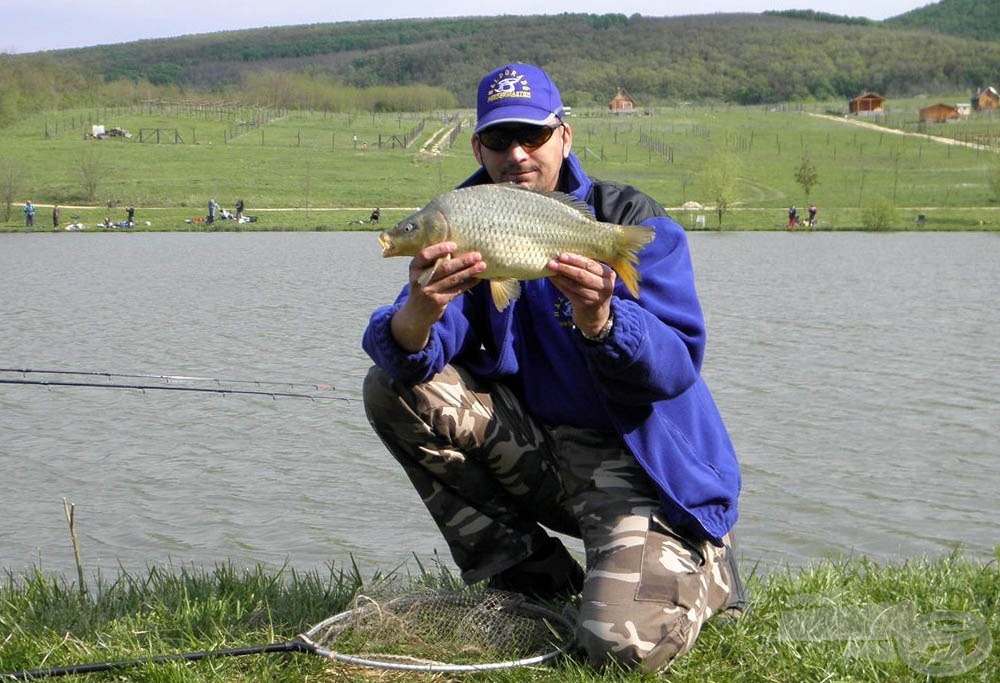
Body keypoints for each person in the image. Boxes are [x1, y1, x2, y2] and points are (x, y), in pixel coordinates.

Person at [362, 62, 745, 673]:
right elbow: (416, 350)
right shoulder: (465, 217)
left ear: (564, 135)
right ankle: (531, 584)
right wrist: (417, 311)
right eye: (498, 139)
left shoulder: (629, 218)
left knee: (620, 649)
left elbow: (678, 366)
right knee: (392, 388)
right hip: (544, 452)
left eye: (533, 136)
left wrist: (602, 319)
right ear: (478, 146)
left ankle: (707, 563)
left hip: (640, 465)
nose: (516, 154)